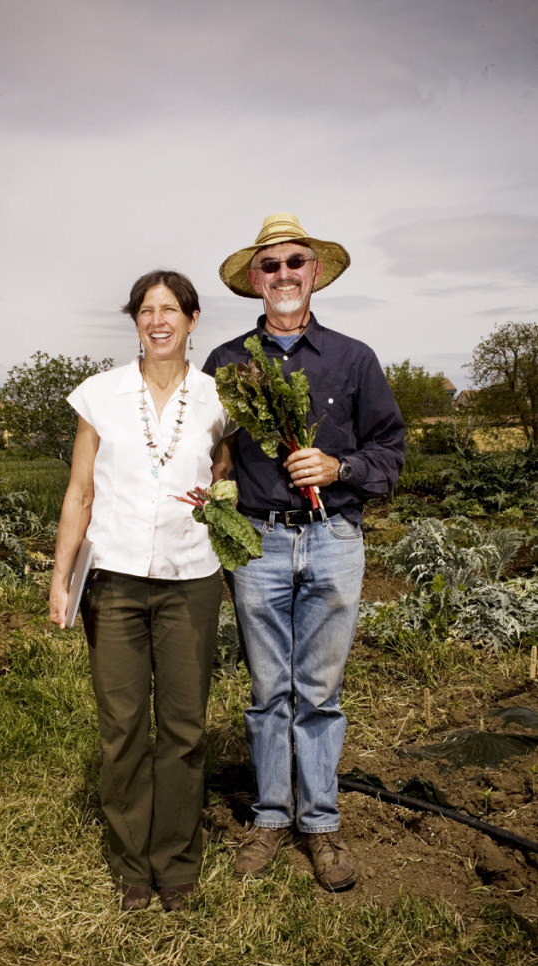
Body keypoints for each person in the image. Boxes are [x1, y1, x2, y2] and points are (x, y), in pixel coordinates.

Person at [203, 213, 405, 892]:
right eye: (270, 265)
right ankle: (267, 818)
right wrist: (215, 497)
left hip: (333, 539)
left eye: (295, 262)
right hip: (257, 541)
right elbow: (214, 451)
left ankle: (318, 824)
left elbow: (389, 453)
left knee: (318, 694)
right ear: (254, 280)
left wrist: (337, 468)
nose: (283, 274)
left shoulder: (353, 359)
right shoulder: (227, 363)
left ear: (313, 271)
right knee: (268, 693)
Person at [50, 270, 232, 912]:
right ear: (135, 322)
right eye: (146, 311)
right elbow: (80, 492)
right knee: (123, 725)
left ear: (191, 319)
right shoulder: (100, 396)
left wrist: (222, 499)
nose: (158, 321)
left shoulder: (218, 399)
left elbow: (225, 483)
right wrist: (60, 575)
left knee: (183, 728)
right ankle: (131, 864)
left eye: (170, 310)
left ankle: (176, 864)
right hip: (116, 582)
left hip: (191, 580)